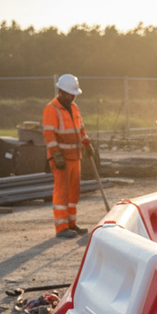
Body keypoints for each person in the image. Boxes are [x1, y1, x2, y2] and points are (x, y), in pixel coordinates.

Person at [42, 74, 94, 239]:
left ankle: (72, 223)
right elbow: (49, 134)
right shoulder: (52, 108)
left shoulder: (74, 108)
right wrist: (56, 155)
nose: (72, 97)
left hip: (74, 156)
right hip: (61, 158)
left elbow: (81, 128)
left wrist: (87, 143)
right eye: (69, 94)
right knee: (62, 192)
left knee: (74, 192)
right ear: (60, 91)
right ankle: (61, 227)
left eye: (74, 95)